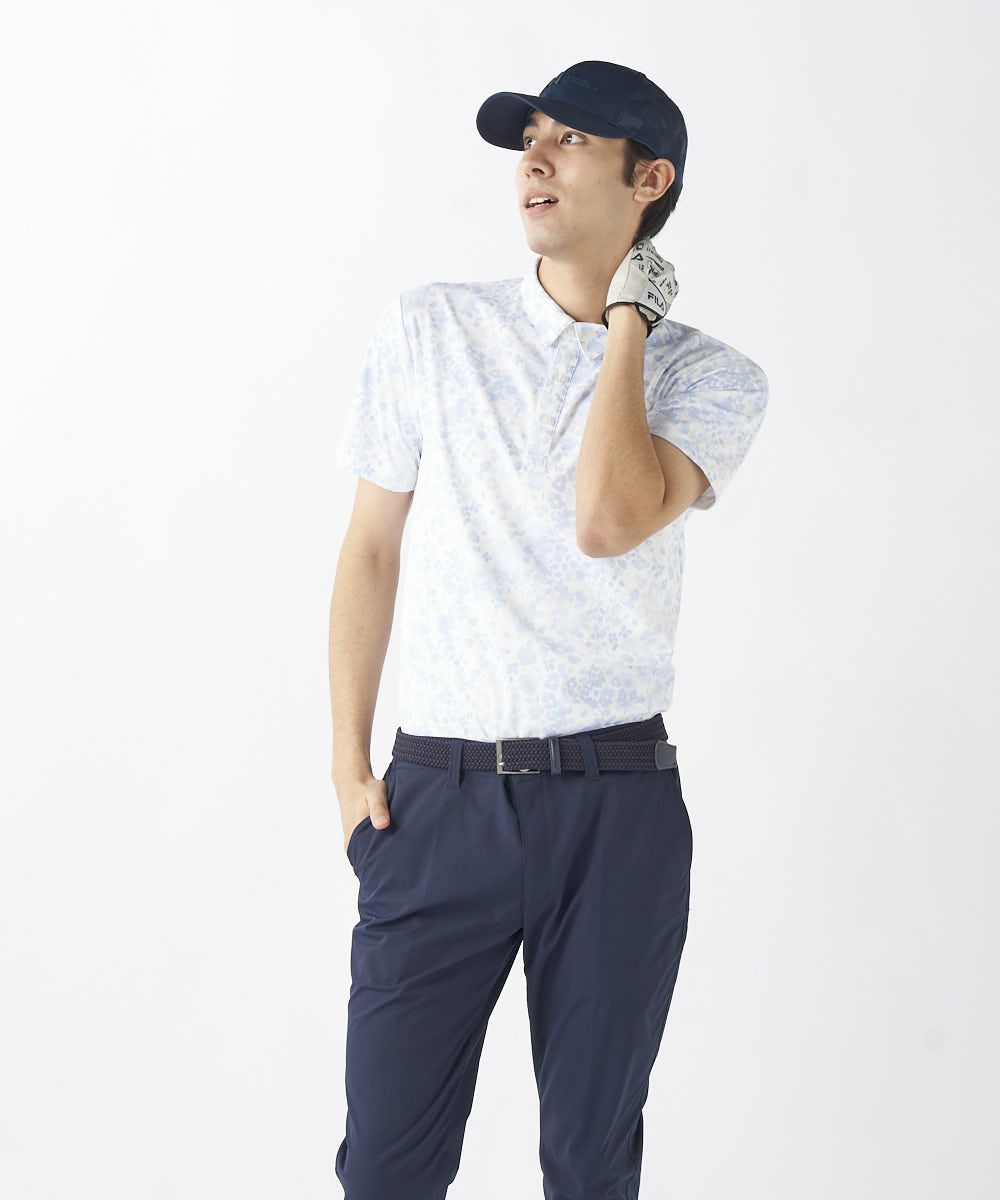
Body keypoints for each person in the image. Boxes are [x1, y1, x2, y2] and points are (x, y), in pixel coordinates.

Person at [329, 59, 768, 1200]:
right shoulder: (431, 328)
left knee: (588, 1164)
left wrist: (627, 322)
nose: (534, 158)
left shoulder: (712, 378)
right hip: (435, 803)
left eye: (569, 139)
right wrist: (348, 768)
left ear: (649, 180)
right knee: (384, 1168)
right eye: (529, 138)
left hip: (614, 811)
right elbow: (370, 549)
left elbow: (607, 520)